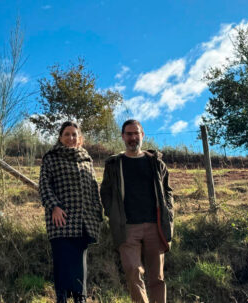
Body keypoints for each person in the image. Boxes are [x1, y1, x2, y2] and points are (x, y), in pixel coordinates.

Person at [100, 119, 174, 303]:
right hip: (127, 227)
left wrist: (169, 213)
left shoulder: (156, 163)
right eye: (129, 134)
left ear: (142, 135)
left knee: (157, 277)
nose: (133, 138)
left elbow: (168, 191)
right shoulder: (114, 165)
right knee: (133, 272)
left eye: (136, 133)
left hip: (154, 226)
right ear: (123, 136)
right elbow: (106, 192)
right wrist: (113, 214)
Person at [39, 121, 103, 303]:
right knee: (62, 263)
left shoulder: (86, 159)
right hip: (61, 219)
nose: (71, 138)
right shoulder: (51, 157)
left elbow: (93, 188)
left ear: (79, 138)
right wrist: (54, 207)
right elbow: (44, 186)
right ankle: (61, 299)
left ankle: (80, 299)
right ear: (60, 137)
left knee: (79, 264)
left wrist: (98, 214)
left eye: (74, 134)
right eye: (67, 134)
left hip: (83, 221)